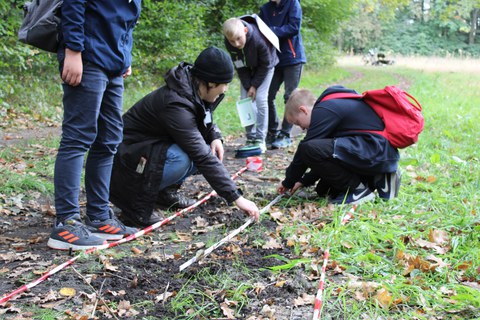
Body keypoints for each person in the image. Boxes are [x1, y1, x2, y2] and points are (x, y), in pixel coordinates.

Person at [109, 46, 260, 227]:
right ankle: (133, 201)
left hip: (152, 149)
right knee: (183, 157)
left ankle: (163, 193)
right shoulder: (176, 103)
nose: (225, 89)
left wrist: (214, 136)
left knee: (202, 147)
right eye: (224, 84)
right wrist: (236, 197)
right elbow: (200, 154)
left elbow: (204, 117)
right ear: (210, 83)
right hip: (127, 159)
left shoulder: (195, 89)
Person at [47, 0, 142, 251]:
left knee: (109, 139)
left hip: (114, 63)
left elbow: (126, 20)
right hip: (88, 56)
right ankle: (66, 222)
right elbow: (74, 4)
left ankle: (99, 216)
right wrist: (73, 50)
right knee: (78, 138)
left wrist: (125, 55)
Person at [277, 86, 401, 204]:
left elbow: (305, 152)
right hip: (375, 151)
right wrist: (304, 181)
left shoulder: (323, 110)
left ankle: (358, 191)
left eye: (298, 122)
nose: (302, 128)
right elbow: (324, 157)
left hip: (375, 149)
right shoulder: (330, 106)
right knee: (325, 190)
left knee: (307, 147)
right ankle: (380, 176)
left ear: (303, 110)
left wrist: (288, 182)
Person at [223, 17, 279, 153]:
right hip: (248, 70)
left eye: (238, 38)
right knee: (245, 100)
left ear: (245, 30)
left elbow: (265, 65)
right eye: (232, 41)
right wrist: (248, 86)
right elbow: (240, 66)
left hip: (266, 67)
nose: (236, 44)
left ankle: (260, 139)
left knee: (260, 98)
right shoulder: (229, 43)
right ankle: (250, 136)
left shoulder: (259, 40)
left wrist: (254, 86)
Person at [259, 0, 306, 150]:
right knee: (267, 95)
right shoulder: (265, 9)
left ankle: (285, 134)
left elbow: (293, 27)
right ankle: (272, 131)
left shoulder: (293, 4)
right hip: (273, 58)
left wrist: (271, 31)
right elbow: (260, 30)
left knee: (290, 97)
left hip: (292, 57)